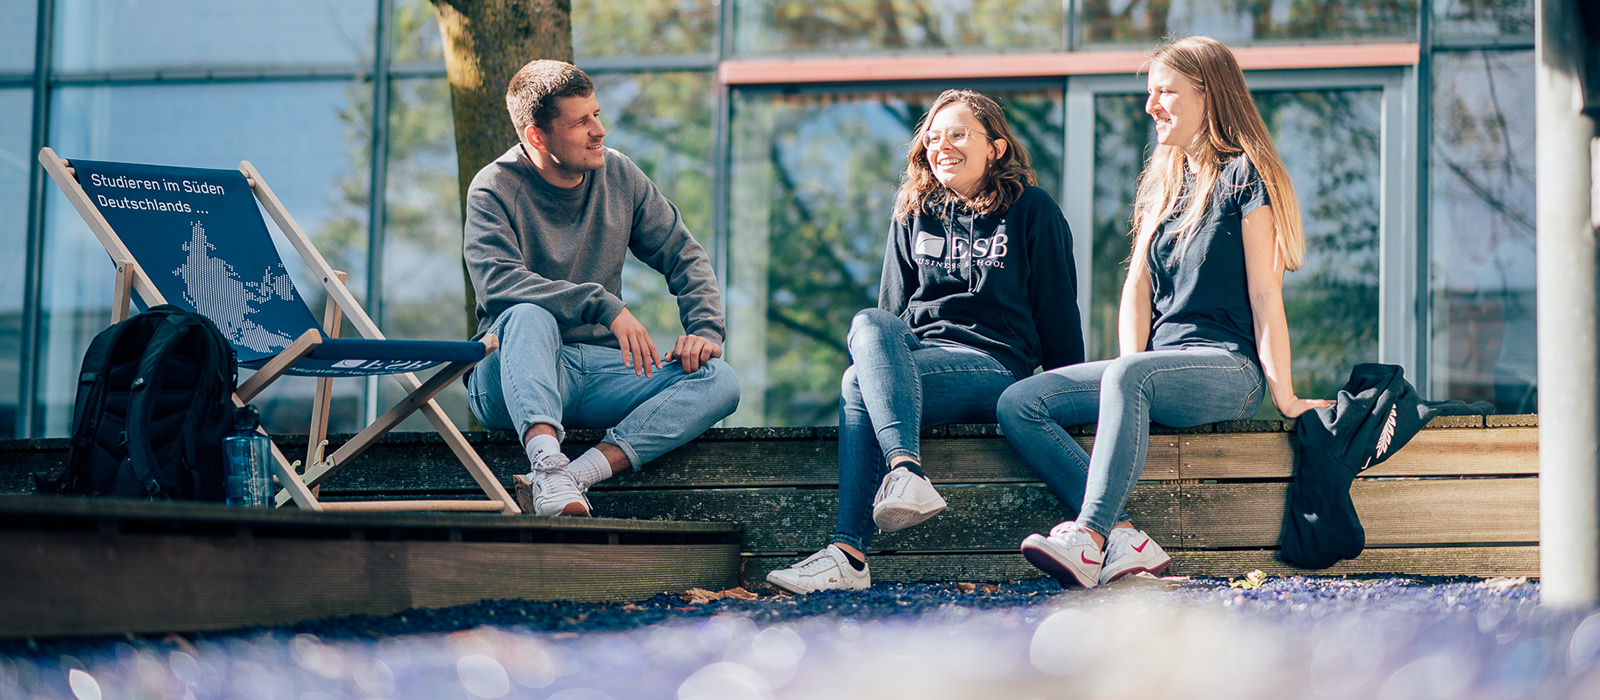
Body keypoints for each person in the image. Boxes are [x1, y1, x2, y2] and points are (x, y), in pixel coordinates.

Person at [996, 36, 1333, 588]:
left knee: (1130, 372)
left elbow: (1265, 296)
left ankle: (1087, 537)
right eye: (1150, 92)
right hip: (1161, 367)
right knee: (1020, 402)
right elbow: (1137, 286)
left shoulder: (1244, 177)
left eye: (1165, 91)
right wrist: (1125, 381)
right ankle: (1123, 535)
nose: (1151, 105)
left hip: (1228, 368)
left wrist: (1285, 395)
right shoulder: (1166, 182)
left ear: (1208, 94)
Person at [766, 89, 1086, 594]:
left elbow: (1059, 311)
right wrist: (885, 370)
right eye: (933, 137)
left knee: (854, 386)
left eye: (958, 134)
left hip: (993, 365)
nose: (942, 146)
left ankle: (848, 551)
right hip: (919, 361)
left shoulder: (1033, 210)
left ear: (995, 148)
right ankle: (903, 473)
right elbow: (891, 313)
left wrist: (1072, 403)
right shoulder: (913, 210)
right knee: (867, 335)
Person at [463, 60, 740, 517]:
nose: (600, 130)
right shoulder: (493, 188)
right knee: (530, 316)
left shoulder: (619, 175)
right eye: (581, 122)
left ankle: (574, 476)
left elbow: (682, 253)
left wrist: (706, 330)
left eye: (596, 114)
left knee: (718, 380)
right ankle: (547, 464)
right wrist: (601, 304)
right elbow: (499, 285)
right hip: (510, 373)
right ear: (537, 136)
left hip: (595, 373)